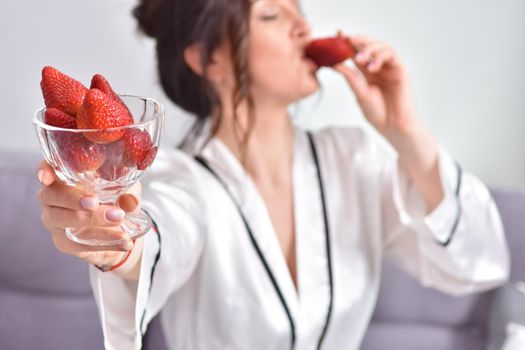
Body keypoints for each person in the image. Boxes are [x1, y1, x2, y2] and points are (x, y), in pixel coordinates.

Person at [36, 0, 510, 348]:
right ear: (208, 59)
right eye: (272, 15)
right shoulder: (183, 178)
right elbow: (158, 235)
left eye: (298, 11)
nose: (303, 26)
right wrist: (110, 234)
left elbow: (477, 264)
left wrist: (406, 133)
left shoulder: (356, 160)